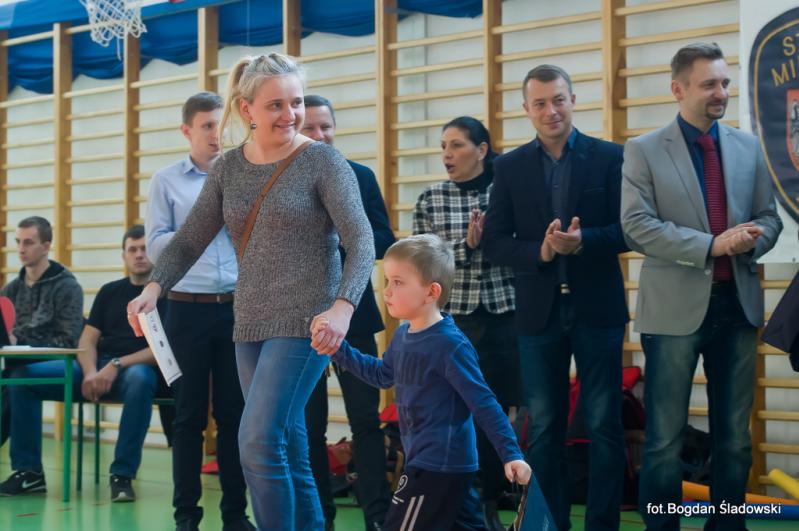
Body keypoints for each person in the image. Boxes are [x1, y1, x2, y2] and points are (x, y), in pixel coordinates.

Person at [128, 53, 375, 531]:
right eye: (275, 105)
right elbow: (190, 239)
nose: (290, 114)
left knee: (257, 442)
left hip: (307, 321)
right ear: (247, 110)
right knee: (288, 444)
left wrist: (343, 308)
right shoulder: (228, 169)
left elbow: (361, 240)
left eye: (296, 102)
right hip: (250, 324)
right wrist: (153, 289)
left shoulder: (323, 161)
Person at [620, 42, 782, 531]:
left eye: (725, 83)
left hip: (738, 307)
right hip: (673, 313)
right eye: (709, 84)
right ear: (678, 89)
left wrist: (754, 237)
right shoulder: (644, 150)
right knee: (664, 441)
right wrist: (712, 245)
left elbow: (769, 217)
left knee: (735, 438)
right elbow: (636, 227)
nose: (721, 93)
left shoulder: (748, 147)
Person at [483, 65, 629, 531]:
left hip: (598, 309)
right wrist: (541, 251)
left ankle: (602, 525)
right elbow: (494, 243)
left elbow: (629, 230)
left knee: (604, 426)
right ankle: (549, 524)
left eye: (559, 100)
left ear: (573, 100)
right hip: (537, 314)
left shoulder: (610, 157)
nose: (551, 111)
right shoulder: (508, 167)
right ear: (526, 109)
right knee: (544, 429)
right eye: (541, 103)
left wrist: (585, 241)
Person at [311, 234, 531, 530]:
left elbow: (484, 404)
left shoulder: (450, 345)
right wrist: (338, 348)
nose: (387, 291)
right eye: (387, 281)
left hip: (438, 467)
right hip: (430, 464)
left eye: (398, 282)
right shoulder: (404, 335)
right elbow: (382, 375)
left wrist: (511, 454)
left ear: (431, 292)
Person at [145, 91, 251, 531]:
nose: (215, 134)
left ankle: (235, 515)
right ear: (186, 131)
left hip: (237, 309)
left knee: (234, 416)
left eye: (220, 125)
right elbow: (155, 246)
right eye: (207, 126)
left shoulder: (243, 174)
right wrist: (202, 225)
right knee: (188, 417)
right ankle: (186, 515)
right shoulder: (166, 181)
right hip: (186, 310)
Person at [412, 116, 520, 531]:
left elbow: (520, 247)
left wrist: (490, 242)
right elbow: (422, 264)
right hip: (453, 322)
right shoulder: (430, 199)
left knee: (497, 412)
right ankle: (460, 503)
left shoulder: (504, 191)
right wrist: (467, 246)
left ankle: (491, 500)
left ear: (482, 150)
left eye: (457, 145)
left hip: (504, 315)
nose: (447, 154)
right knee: (456, 413)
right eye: (444, 146)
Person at [0, 226, 157, 501]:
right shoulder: (109, 292)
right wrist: (91, 371)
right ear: (123, 255)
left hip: (134, 369)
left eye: (144, 249)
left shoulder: (164, 295)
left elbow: (161, 350)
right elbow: (88, 339)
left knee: (141, 380)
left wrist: (115, 365)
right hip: (96, 367)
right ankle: (29, 472)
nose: (139, 255)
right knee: (22, 377)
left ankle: (122, 475)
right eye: (132, 249)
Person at [301, 94, 394, 531]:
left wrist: (350, 235)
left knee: (366, 420)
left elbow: (384, 238)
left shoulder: (360, 176)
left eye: (326, 126)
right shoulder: (285, 179)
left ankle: (377, 515)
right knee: (309, 425)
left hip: (354, 315)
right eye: (311, 127)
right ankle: (321, 516)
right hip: (302, 318)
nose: (320, 135)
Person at [0, 216, 84, 449]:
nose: (21, 249)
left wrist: (20, 340)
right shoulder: (10, 290)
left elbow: (69, 341)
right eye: (18, 242)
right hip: (16, 366)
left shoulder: (68, 287)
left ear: (46, 246)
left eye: (28, 242)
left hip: (61, 365)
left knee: (18, 379)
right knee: (14, 376)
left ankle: (27, 467)